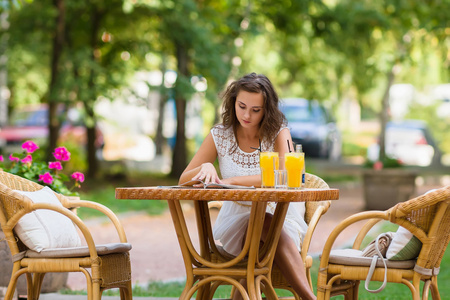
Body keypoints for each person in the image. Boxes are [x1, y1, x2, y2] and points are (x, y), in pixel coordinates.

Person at [178, 72, 316, 300]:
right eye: (241, 106)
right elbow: (184, 179)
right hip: (238, 219)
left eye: (255, 110)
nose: (246, 115)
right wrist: (205, 168)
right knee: (255, 235)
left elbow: (283, 174)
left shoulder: (280, 131)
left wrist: (230, 182)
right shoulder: (220, 135)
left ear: (267, 110)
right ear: (233, 102)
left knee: (263, 226)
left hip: (280, 214)